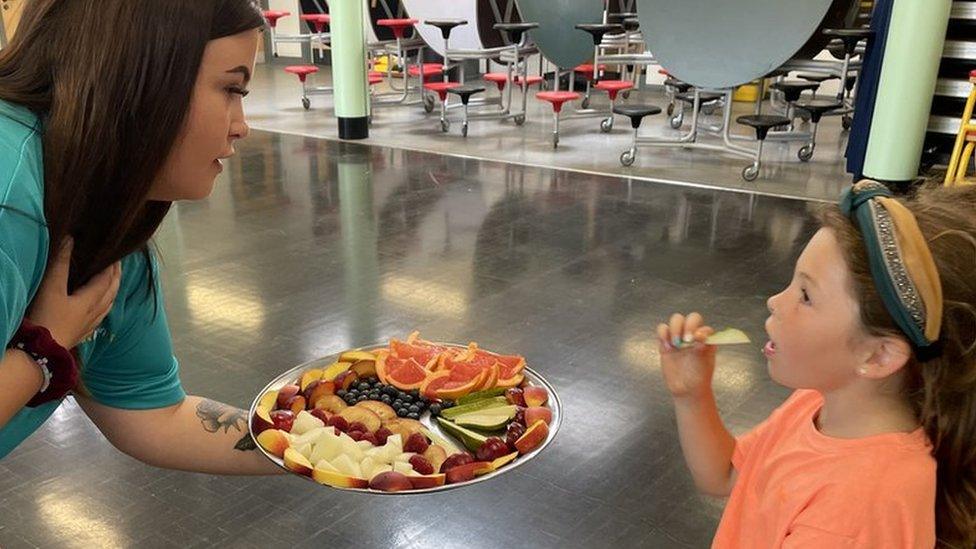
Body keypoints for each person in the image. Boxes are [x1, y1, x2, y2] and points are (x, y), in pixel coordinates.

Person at [0, 0, 281, 475]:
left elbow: (157, 417)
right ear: (141, 76)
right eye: (232, 89)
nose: (242, 126)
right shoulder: (9, 200)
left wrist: (331, 439)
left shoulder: (106, 221)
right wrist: (43, 350)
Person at [657, 181, 976, 547]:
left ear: (878, 355)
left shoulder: (859, 513)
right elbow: (726, 475)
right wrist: (692, 395)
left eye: (805, 295)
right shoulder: (817, 403)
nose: (775, 301)